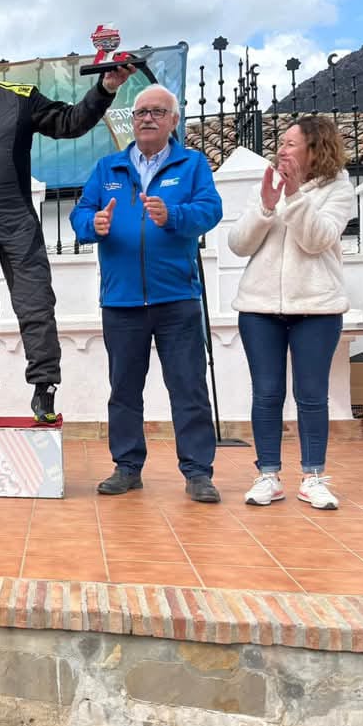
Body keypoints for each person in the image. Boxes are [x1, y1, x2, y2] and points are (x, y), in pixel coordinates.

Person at [0, 29, 134, 423]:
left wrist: (105, 89)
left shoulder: (20, 99)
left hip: (16, 221)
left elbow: (71, 122)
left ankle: (44, 390)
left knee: (36, 306)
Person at [70, 85, 223, 503]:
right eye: (140, 112)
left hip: (177, 299)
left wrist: (173, 215)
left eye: (158, 111)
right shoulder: (108, 168)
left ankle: (197, 472)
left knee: (188, 388)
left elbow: (211, 211)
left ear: (174, 120)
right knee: (123, 389)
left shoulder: (191, 164)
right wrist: (93, 224)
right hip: (120, 302)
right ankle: (127, 467)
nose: (147, 119)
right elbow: (80, 213)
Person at [228, 116, 354, 510]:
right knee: (266, 394)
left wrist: (295, 196)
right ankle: (268, 476)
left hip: (317, 308)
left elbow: (318, 241)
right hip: (258, 308)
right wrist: (266, 206)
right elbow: (237, 244)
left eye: (290, 144)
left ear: (315, 149)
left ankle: (313, 477)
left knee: (312, 395)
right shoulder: (267, 184)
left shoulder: (339, 187)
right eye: (281, 143)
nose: (281, 150)